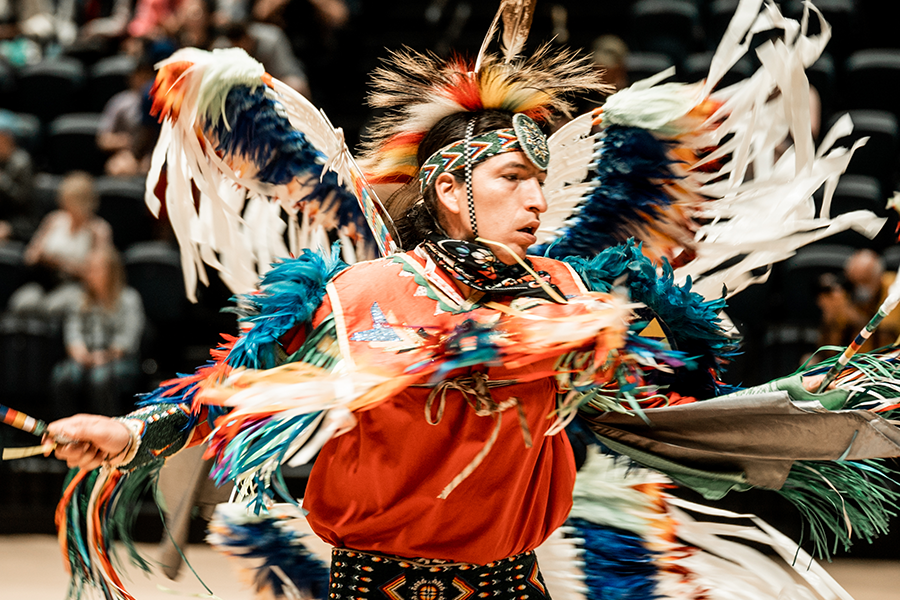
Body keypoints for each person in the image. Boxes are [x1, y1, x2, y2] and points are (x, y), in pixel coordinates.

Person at [40, 3, 900, 600]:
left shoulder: (567, 291)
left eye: (542, 185)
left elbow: (657, 403)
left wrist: (815, 407)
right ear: (452, 188)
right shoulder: (366, 291)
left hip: (513, 583)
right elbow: (239, 384)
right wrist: (129, 433)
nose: (537, 203)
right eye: (515, 180)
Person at [50, 247, 145, 419]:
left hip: (119, 358)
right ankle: (67, 430)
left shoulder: (129, 298)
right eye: (88, 268)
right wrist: (79, 351)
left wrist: (105, 356)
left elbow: (128, 339)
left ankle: (110, 429)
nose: (89, 273)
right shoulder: (79, 299)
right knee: (63, 375)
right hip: (85, 357)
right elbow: (73, 330)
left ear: (111, 271)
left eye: (96, 269)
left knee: (100, 378)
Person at [9, 171, 113, 314]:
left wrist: (65, 265)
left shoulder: (99, 230)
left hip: (77, 287)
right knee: (22, 302)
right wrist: (43, 258)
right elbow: (29, 257)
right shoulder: (54, 220)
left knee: (53, 308)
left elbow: (100, 274)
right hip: (45, 282)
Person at [818, 248, 900, 352]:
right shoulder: (846, 292)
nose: (859, 287)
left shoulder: (894, 289)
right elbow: (829, 351)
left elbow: (886, 337)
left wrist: (853, 317)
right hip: (853, 360)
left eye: (865, 280)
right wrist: (830, 319)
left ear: (879, 276)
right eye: (855, 282)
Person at [0, 108, 34, 242]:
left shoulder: (22, 162)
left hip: (19, 221)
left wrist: (2, 180)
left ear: (8, 138)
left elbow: (21, 199)